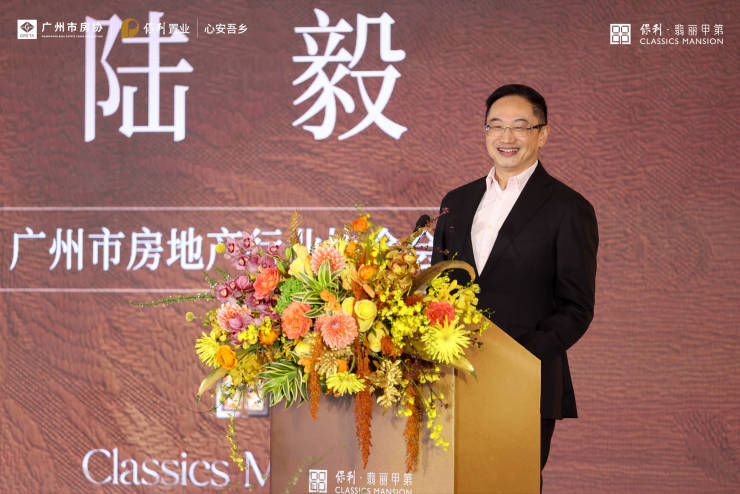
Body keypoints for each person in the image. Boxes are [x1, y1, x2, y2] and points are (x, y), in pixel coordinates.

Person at [431, 84, 598, 485]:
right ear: (485, 132)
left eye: (520, 126)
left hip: (524, 380)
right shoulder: (458, 201)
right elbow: (438, 289)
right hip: (451, 381)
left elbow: (576, 308)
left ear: (543, 134)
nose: (506, 137)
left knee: (507, 485)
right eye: (496, 126)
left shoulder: (568, 208)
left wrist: (513, 357)